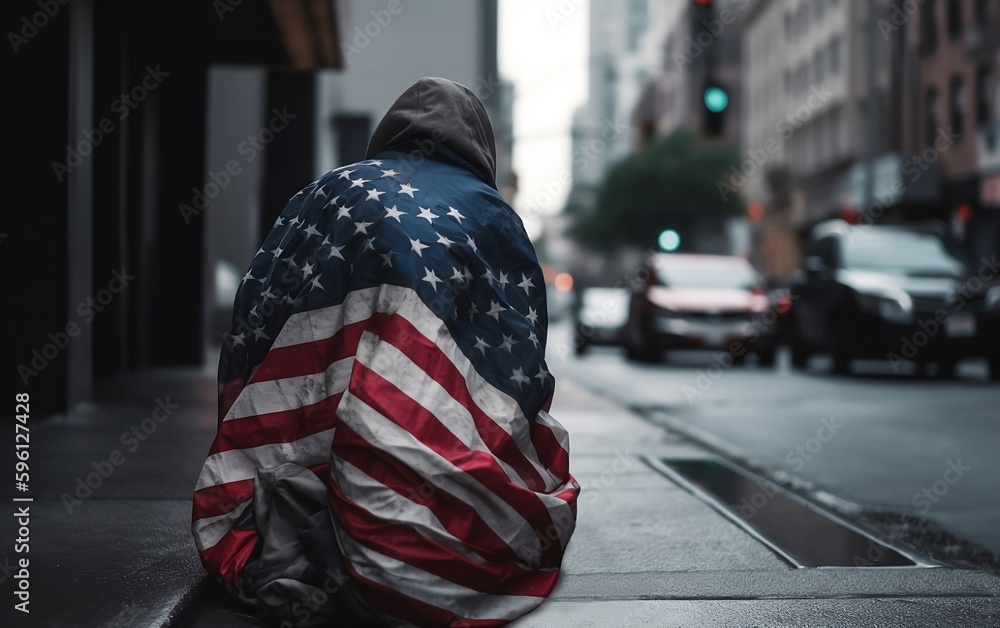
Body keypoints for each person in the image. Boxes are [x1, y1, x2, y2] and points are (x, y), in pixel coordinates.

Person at [192, 77, 579, 627]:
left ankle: (320, 514)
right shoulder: (489, 211)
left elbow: (256, 314)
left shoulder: (324, 190)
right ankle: (376, 524)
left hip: (308, 425)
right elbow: (519, 358)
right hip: (424, 430)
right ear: (480, 146)